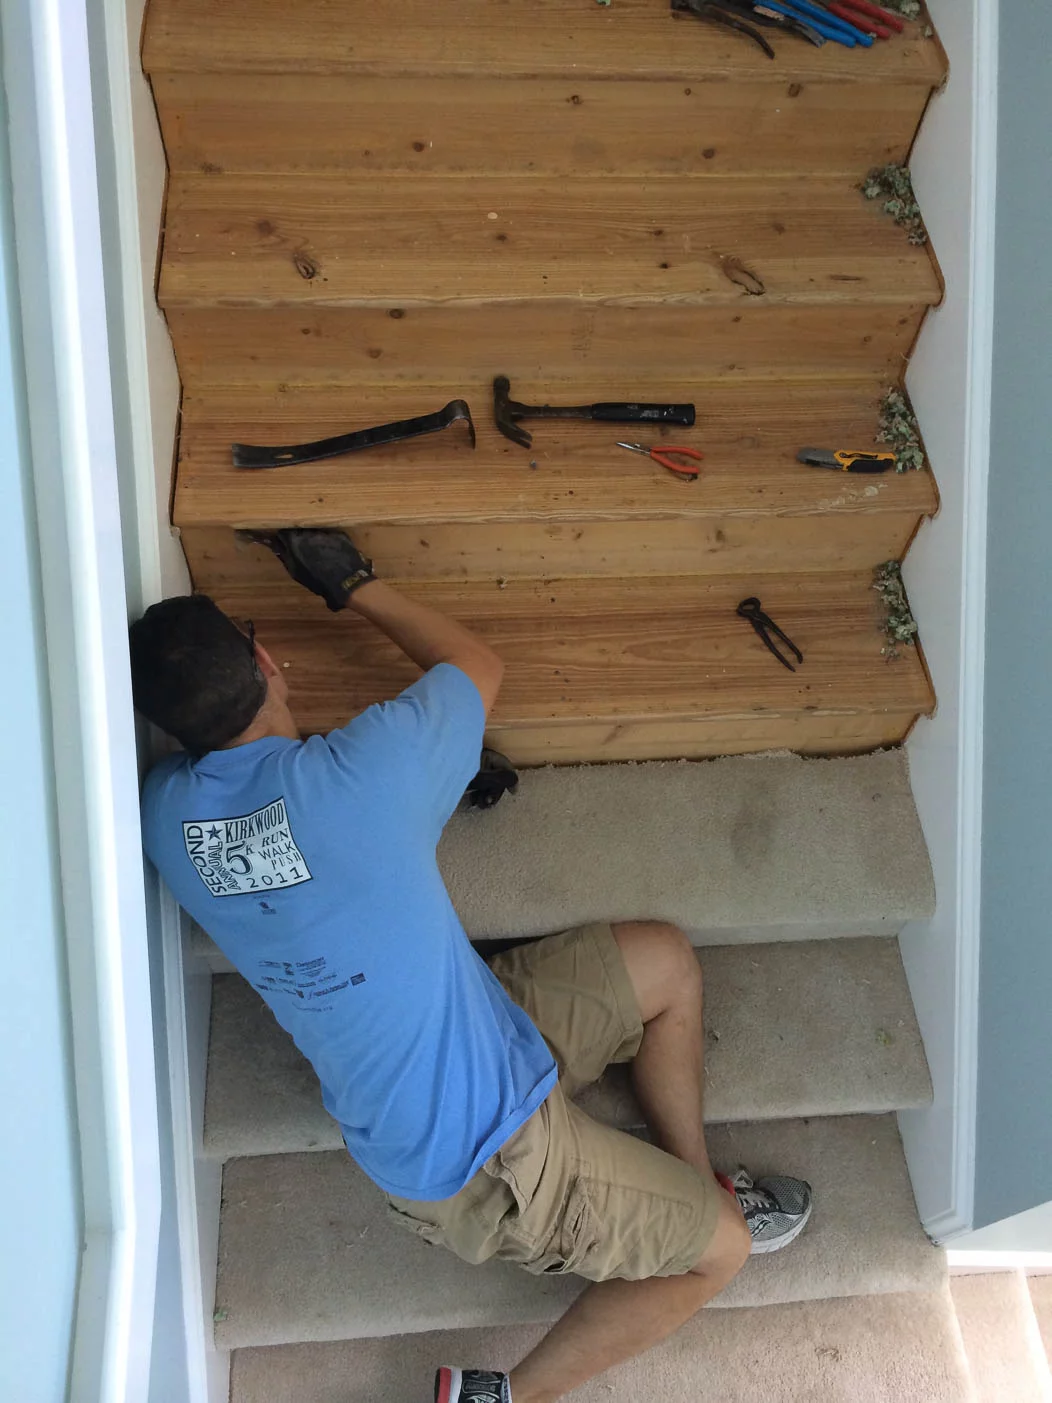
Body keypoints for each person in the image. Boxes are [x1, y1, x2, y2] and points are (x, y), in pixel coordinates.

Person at [130, 529, 813, 1403]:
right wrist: (354, 585)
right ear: (268, 658)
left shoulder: (166, 815)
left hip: (473, 1030)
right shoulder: (361, 777)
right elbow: (474, 662)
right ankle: (503, 1397)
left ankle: (689, 1176)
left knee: (666, 963)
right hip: (478, 1164)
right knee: (725, 1251)